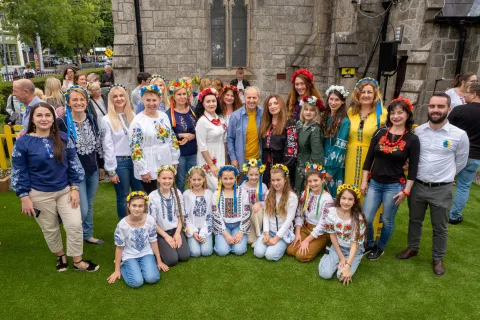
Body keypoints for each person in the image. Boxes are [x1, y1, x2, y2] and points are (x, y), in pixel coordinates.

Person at [11, 102, 99, 272]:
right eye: (39, 115)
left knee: (74, 224)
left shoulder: (64, 138)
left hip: (65, 191)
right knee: (50, 228)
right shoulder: (23, 143)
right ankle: (61, 256)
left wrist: (74, 188)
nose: (44, 119)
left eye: (47, 115)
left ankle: (78, 261)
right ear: (33, 119)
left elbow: (74, 165)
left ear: (53, 118)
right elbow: (18, 171)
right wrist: (24, 196)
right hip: (39, 194)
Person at [397, 93, 469, 276]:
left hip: (441, 189)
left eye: (440, 107)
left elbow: (460, 162)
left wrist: (447, 175)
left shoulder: (460, 135)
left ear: (448, 109)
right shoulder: (418, 131)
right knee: (414, 220)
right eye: (432, 106)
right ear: (428, 108)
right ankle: (412, 248)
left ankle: (438, 258)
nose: (435, 110)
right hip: (418, 186)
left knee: (440, 226)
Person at [360, 98, 420, 260]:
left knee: (387, 219)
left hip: (394, 186)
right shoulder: (379, 133)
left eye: (400, 112)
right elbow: (368, 159)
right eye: (393, 112)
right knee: (366, 217)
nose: (396, 116)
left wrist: (406, 192)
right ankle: (370, 243)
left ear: (408, 115)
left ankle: (380, 247)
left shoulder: (412, 140)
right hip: (374, 184)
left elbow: (413, 168)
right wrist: (364, 181)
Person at [58, 85, 104, 245]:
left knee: (89, 204)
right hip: (74, 174)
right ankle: (74, 233)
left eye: (82, 99)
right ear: (68, 103)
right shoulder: (61, 122)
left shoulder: (91, 118)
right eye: (75, 100)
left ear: (87, 101)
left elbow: (98, 143)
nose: (79, 102)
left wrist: (101, 165)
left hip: (92, 169)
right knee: (82, 209)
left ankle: (87, 234)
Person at [107, 191, 169, 288]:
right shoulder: (122, 225)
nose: (137, 209)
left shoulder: (150, 220)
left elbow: (153, 241)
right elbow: (119, 248)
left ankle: (140, 266)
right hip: (129, 255)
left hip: (146, 253)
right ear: (128, 206)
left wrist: (159, 261)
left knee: (152, 278)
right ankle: (124, 266)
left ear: (145, 207)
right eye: (134, 205)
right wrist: (117, 270)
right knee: (136, 282)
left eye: (140, 206)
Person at [129, 85, 180, 194]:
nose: (151, 103)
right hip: (149, 165)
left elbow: (171, 138)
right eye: (148, 100)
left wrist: (175, 158)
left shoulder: (163, 116)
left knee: (167, 193)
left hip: (166, 161)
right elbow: (135, 147)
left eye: (154, 100)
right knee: (154, 197)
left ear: (160, 100)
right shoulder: (138, 121)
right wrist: (143, 170)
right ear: (142, 100)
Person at [102, 84, 143, 219]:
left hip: (136, 160)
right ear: (111, 99)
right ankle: (125, 226)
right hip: (120, 162)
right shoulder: (107, 119)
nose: (119, 99)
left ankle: (140, 223)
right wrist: (111, 170)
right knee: (123, 196)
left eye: (121, 95)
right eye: (115, 96)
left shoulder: (133, 115)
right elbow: (107, 146)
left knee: (140, 194)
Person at [318, 184, 366, 285]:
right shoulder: (331, 213)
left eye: (350, 199)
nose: (346, 202)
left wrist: (348, 265)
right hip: (338, 247)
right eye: (343, 198)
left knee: (341, 276)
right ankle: (328, 254)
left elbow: (355, 243)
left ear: (354, 201)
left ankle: (348, 262)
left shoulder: (358, 218)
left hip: (354, 250)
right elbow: (333, 235)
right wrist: (341, 257)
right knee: (325, 274)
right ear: (339, 198)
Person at [345, 77, 387, 188]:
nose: (366, 95)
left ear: (375, 94)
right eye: (363, 92)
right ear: (358, 95)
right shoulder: (351, 112)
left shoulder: (382, 114)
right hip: (350, 158)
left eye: (369, 92)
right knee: (349, 191)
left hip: (371, 157)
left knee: (367, 190)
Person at [447, 83, 480, 224]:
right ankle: (454, 215)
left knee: (444, 181)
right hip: (475, 156)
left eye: (467, 93)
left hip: (455, 153)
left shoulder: (459, 110)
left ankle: (439, 208)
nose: (464, 95)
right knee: (463, 186)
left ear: (474, 94)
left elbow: (446, 129)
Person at [287, 164, 334, 262]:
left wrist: (307, 240)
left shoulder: (327, 199)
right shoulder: (306, 193)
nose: (313, 184)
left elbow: (322, 224)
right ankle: (310, 243)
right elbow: (299, 213)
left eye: (316, 180)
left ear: (322, 180)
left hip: (320, 232)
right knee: (290, 251)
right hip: (306, 227)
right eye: (310, 181)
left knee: (301, 256)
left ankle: (323, 243)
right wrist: (298, 233)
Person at [254, 164, 298, 261]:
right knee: (258, 253)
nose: (275, 183)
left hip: (283, 233)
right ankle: (267, 241)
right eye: (273, 180)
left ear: (285, 179)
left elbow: (289, 220)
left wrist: (276, 238)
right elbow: (266, 214)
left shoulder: (292, 197)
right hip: (270, 231)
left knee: (270, 255)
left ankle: (283, 244)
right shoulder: (269, 193)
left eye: (278, 180)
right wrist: (266, 233)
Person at [148, 165, 190, 266]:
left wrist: (177, 234)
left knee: (184, 256)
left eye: (170, 178)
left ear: (173, 179)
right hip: (161, 233)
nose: (167, 181)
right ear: (158, 179)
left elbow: (181, 216)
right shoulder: (153, 196)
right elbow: (152, 222)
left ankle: (172, 245)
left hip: (176, 230)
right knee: (172, 260)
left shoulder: (177, 193)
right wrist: (166, 237)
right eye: (164, 178)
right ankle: (158, 247)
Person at [260, 94, 298, 186]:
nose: (272, 106)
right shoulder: (266, 123)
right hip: (266, 163)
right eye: (270, 104)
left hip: (282, 162)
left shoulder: (289, 122)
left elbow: (291, 149)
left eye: (275, 103)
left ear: (281, 105)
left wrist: (283, 168)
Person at [212, 165, 250, 256]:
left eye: (231, 178)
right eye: (225, 178)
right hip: (223, 226)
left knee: (238, 251)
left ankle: (235, 242)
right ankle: (223, 241)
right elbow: (215, 214)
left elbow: (246, 212)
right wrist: (225, 234)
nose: (228, 181)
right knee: (222, 251)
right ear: (221, 178)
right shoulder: (216, 194)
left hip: (238, 225)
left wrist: (241, 232)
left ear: (235, 178)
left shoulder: (242, 192)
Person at [167, 78, 197, 192]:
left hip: (193, 152)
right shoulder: (169, 114)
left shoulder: (193, 111)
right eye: (179, 94)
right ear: (173, 96)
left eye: (184, 94)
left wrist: (192, 135)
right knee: (180, 181)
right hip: (179, 154)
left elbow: (199, 128)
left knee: (194, 179)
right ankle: (180, 206)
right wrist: (180, 135)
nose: (182, 96)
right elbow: (167, 134)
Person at [321, 85, 351, 199]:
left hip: (334, 164)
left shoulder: (344, 121)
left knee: (331, 195)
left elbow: (340, 147)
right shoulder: (325, 117)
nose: (333, 102)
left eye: (337, 100)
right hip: (321, 161)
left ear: (343, 101)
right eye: (331, 99)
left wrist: (330, 170)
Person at [195, 88, 226, 191]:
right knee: (214, 186)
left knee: (222, 184)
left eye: (213, 101)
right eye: (208, 101)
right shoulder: (202, 122)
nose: (211, 104)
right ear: (203, 104)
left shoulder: (220, 118)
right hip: (208, 157)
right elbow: (202, 146)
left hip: (220, 153)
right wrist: (211, 165)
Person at [227, 86, 263, 171]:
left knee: (257, 184)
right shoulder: (235, 116)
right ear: (244, 98)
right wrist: (233, 159)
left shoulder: (263, 113)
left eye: (254, 97)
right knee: (241, 184)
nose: (251, 100)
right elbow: (230, 139)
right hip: (241, 161)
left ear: (258, 98)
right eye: (249, 97)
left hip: (258, 160)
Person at [295, 96, 324, 193]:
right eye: (306, 109)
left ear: (316, 112)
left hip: (306, 167)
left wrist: (312, 172)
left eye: (312, 110)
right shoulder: (298, 124)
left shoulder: (315, 129)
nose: (308, 112)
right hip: (296, 164)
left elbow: (317, 153)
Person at [183, 166, 214, 257]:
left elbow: (211, 215)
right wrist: (193, 232)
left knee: (206, 252)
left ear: (204, 179)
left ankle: (207, 237)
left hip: (206, 227)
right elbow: (185, 215)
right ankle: (193, 238)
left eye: (199, 179)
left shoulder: (209, 194)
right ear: (190, 179)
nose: (196, 182)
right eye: (194, 180)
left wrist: (203, 232)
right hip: (192, 228)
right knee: (195, 253)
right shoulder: (186, 194)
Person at [240, 158, 267, 246]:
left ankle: (258, 235)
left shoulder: (262, 186)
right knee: (249, 241)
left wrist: (259, 203)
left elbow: (267, 202)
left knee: (257, 211)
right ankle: (251, 234)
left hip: (258, 214)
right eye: (251, 174)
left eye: (256, 174)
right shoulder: (242, 187)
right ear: (246, 174)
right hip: (246, 214)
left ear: (260, 174)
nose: (254, 177)